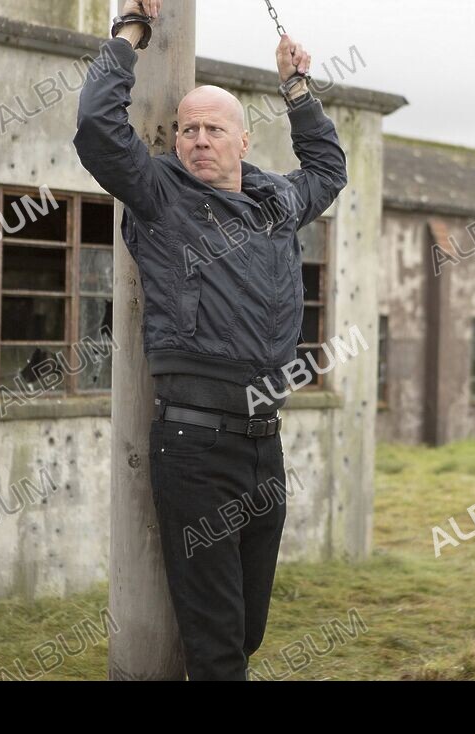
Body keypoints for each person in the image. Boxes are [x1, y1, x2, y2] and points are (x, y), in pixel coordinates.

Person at [72, 0, 348, 680]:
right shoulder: (160, 193)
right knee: (218, 647)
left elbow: (328, 168)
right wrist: (130, 32)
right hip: (194, 448)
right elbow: (96, 130)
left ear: (243, 140)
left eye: (213, 129)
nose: (198, 139)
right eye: (187, 129)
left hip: (264, 443)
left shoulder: (278, 201)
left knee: (246, 630)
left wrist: (297, 89)